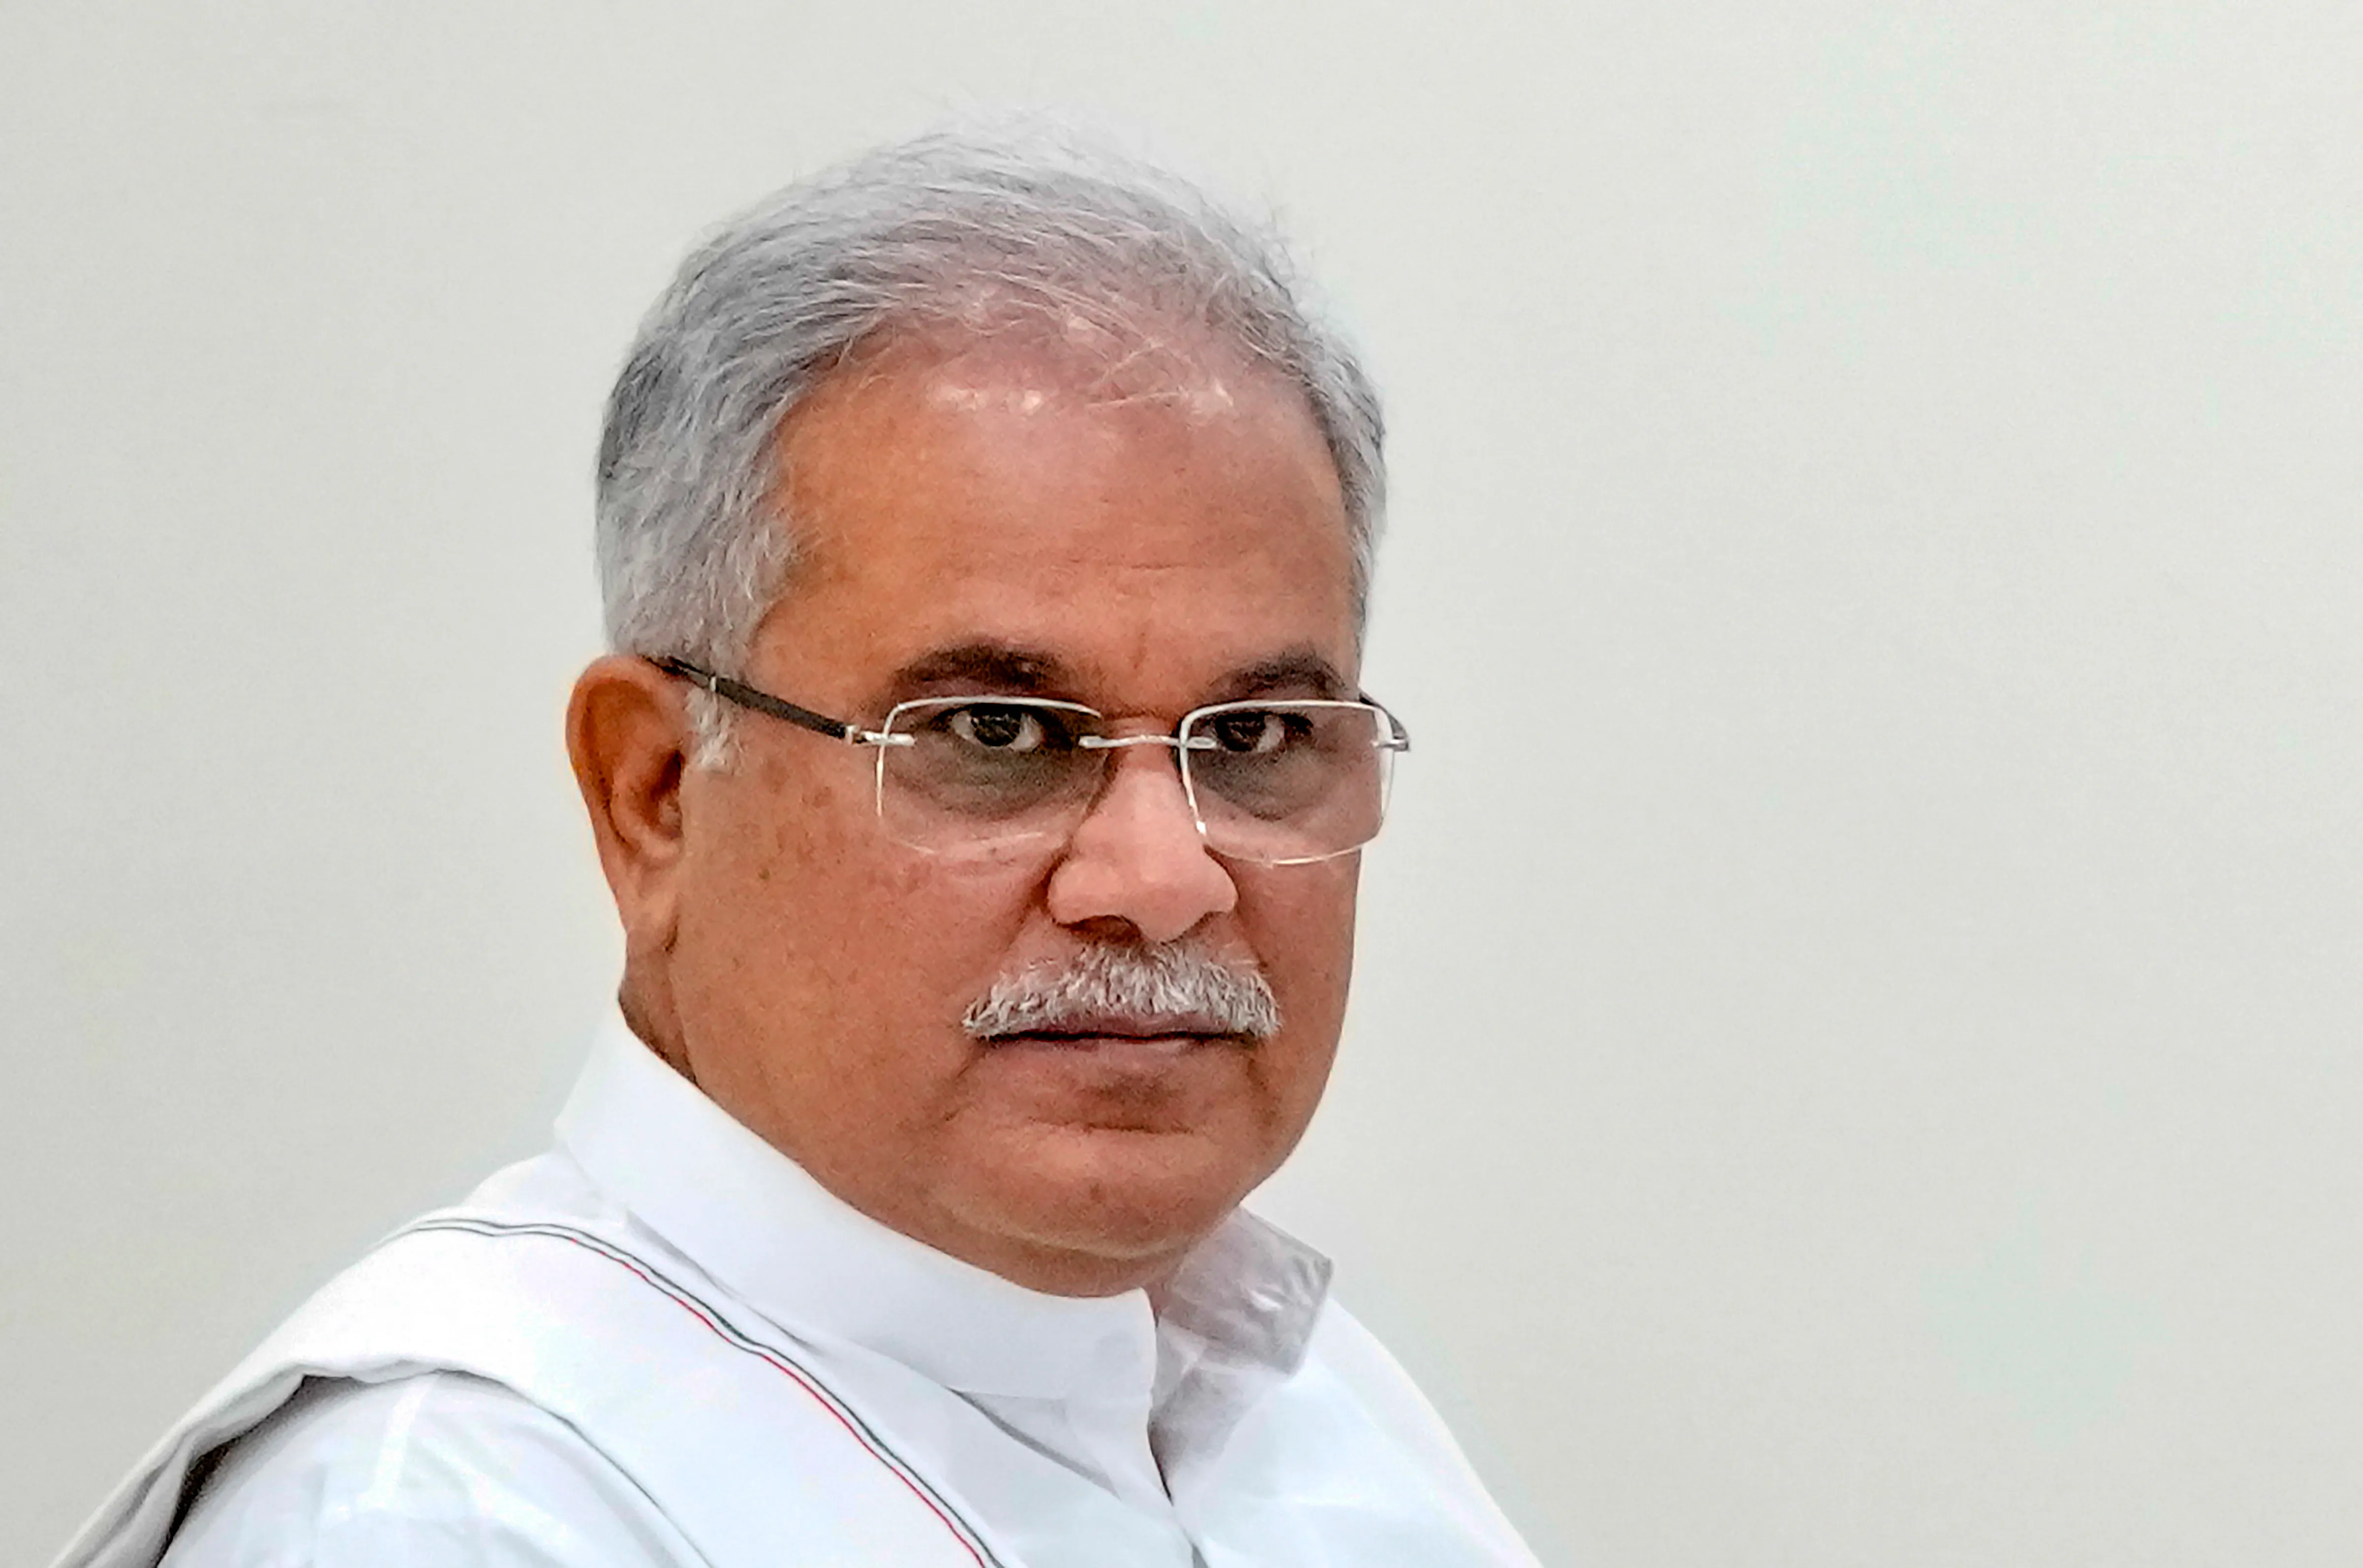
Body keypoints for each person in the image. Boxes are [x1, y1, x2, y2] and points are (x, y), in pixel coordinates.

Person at [56, 125, 1542, 1568]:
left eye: (1253, 741)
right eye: (996, 737)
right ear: (655, 793)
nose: (1160, 883)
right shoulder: (452, 1516)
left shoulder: (1302, 1411)